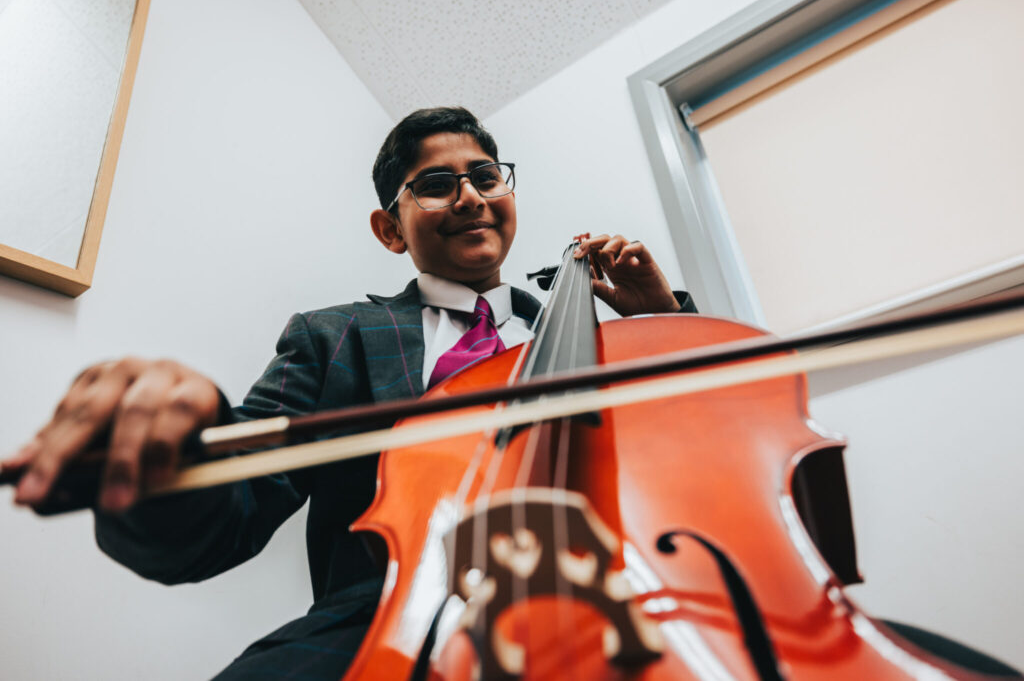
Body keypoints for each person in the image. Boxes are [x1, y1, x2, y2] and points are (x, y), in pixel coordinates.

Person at [3, 107, 696, 679]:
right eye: (436, 184)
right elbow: (235, 503)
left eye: (486, 176)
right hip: (388, 615)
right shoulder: (334, 336)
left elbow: (702, 464)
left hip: (631, 594)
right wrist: (174, 448)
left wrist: (664, 327)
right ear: (390, 230)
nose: (470, 197)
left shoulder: (593, 343)